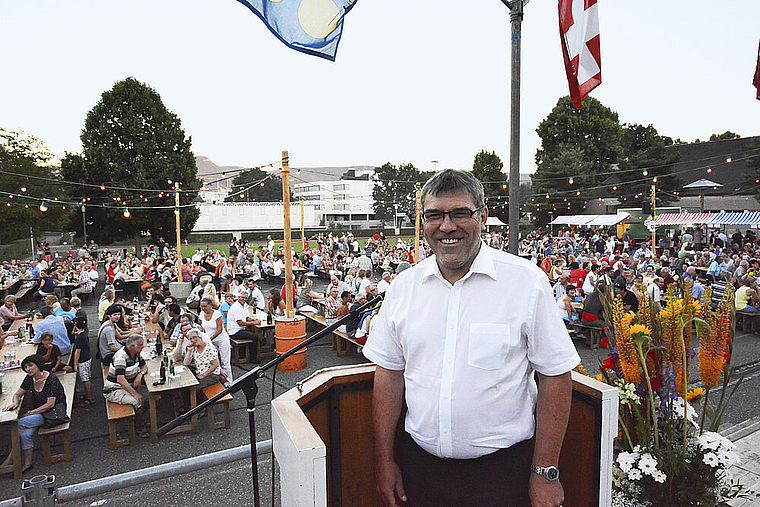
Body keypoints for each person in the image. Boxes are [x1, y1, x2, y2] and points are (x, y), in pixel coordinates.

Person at [363, 169, 579, 507]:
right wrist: (384, 460)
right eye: (434, 215)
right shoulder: (403, 288)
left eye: (460, 213)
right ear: (424, 221)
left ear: (482, 217)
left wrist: (545, 471)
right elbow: (389, 376)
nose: (446, 226)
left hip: (503, 475)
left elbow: (556, 376)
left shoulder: (526, 283)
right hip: (420, 470)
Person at [0, 355, 68, 474]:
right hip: (41, 412)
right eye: (26, 367)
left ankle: (11, 459)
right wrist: (15, 403)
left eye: (31, 366)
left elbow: (50, 404)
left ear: (38, 365)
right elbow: (17, 394)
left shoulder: (51, 379)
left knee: (19, 423)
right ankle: (27, 462)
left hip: (54, 413)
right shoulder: (30, 378)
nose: (28, 369)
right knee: (25, 434)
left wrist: (30, 413)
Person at [102, 334, 150, 438]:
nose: (143, 347)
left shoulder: (136, 354)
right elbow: (120, 380)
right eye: (141, 345)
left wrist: (139, 375)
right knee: (138, 401)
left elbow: (144, 366)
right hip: (114, 390)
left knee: (152, 397)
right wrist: (135, 394)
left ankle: (137, 419)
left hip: (128, 385)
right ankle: (139, 427)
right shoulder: (121, 357)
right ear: (132, 346)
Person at [199, 297, 232, 386]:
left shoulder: (217, 314)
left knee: (225, 362)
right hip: (210, 340)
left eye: (205, 306)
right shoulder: (202, 314)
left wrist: (209, 339)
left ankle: (229, 383)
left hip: (221, 339)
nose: (203, 308)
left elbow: (219, 329)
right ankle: (219, 381)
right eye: (201, 306)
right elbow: (202, 328)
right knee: (214, 362)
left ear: (210, 306)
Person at [71, 316, 94, 407]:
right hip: (88, 358)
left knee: (85, 379)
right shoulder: (83, 334)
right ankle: (88, 395)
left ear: (75, 325)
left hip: (82, 360)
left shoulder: (79, 339)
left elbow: (77, 352)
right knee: (87, 376)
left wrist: (75, 365)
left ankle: (89, 398)